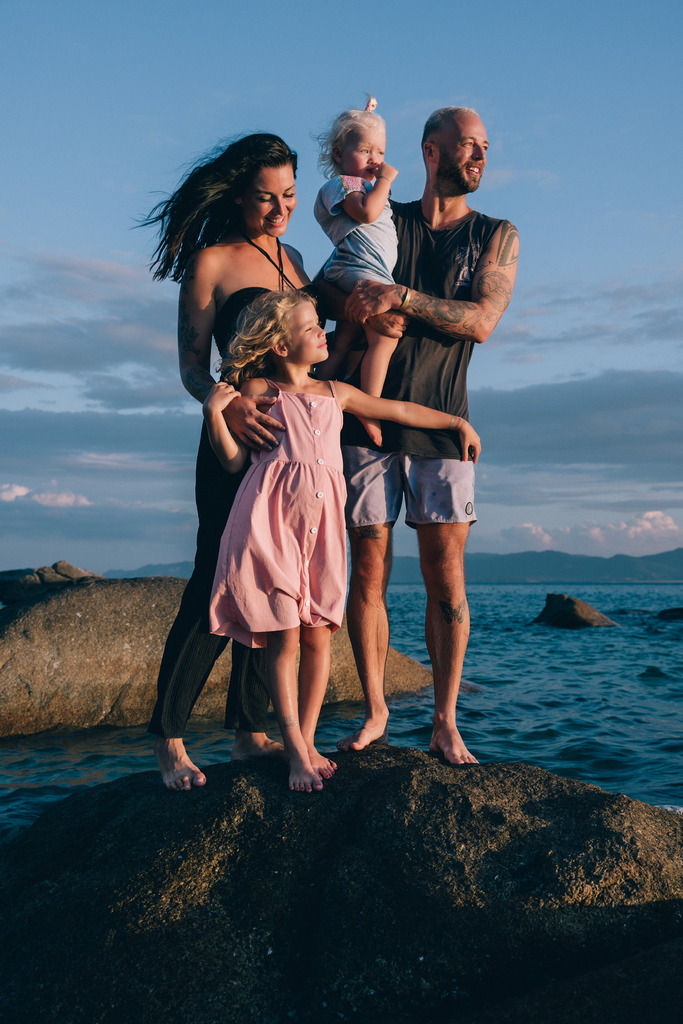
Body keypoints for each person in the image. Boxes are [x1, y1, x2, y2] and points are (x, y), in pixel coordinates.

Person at [202, 290, 481, 792]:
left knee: (317, 634)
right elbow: (231, 462)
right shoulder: (258, 389)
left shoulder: (336, 392)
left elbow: (396, 409)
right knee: (285, 637)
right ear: (282, 347)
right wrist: (214, 416)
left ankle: (305, 740)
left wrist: (456, 421)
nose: (323, 334)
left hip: (322, 532)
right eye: (311, 328)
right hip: (270, 527)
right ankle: (294, 749)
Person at [336, 106, 519, 764]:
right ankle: (376, 710)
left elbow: (481, 321)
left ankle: (444, 720)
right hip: (363, 422)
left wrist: (399, 299)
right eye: (467, 144)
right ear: (430, 152)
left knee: (446, 581)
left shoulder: (495, 235)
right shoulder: (386, 221)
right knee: (367, 575)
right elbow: (341, 267)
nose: (479, 155)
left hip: (444, 425)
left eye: (485, 146)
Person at [142, 133, 312, 791]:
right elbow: (190, 365)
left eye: (289, 195)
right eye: (265, 198)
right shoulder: (211, 261)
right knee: (215, 576)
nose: (279, 210)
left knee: (268, 580)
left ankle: (249, 730)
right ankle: (169, 738)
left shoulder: (295, 258)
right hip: (232, 442)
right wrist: (222, 399)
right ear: (238, 196)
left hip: (288, 447)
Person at [314, 98, 400, 446]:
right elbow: (366, 213)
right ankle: (369, 407)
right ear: (338, 154)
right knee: (386, 336)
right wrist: (386, 180)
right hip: (358, 271)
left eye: (379, 151)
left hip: (367, 270)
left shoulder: (363, 185)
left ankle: (316, 393)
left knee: (346, 339)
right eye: (364, 150)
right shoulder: (342, 186)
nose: (375, 160)